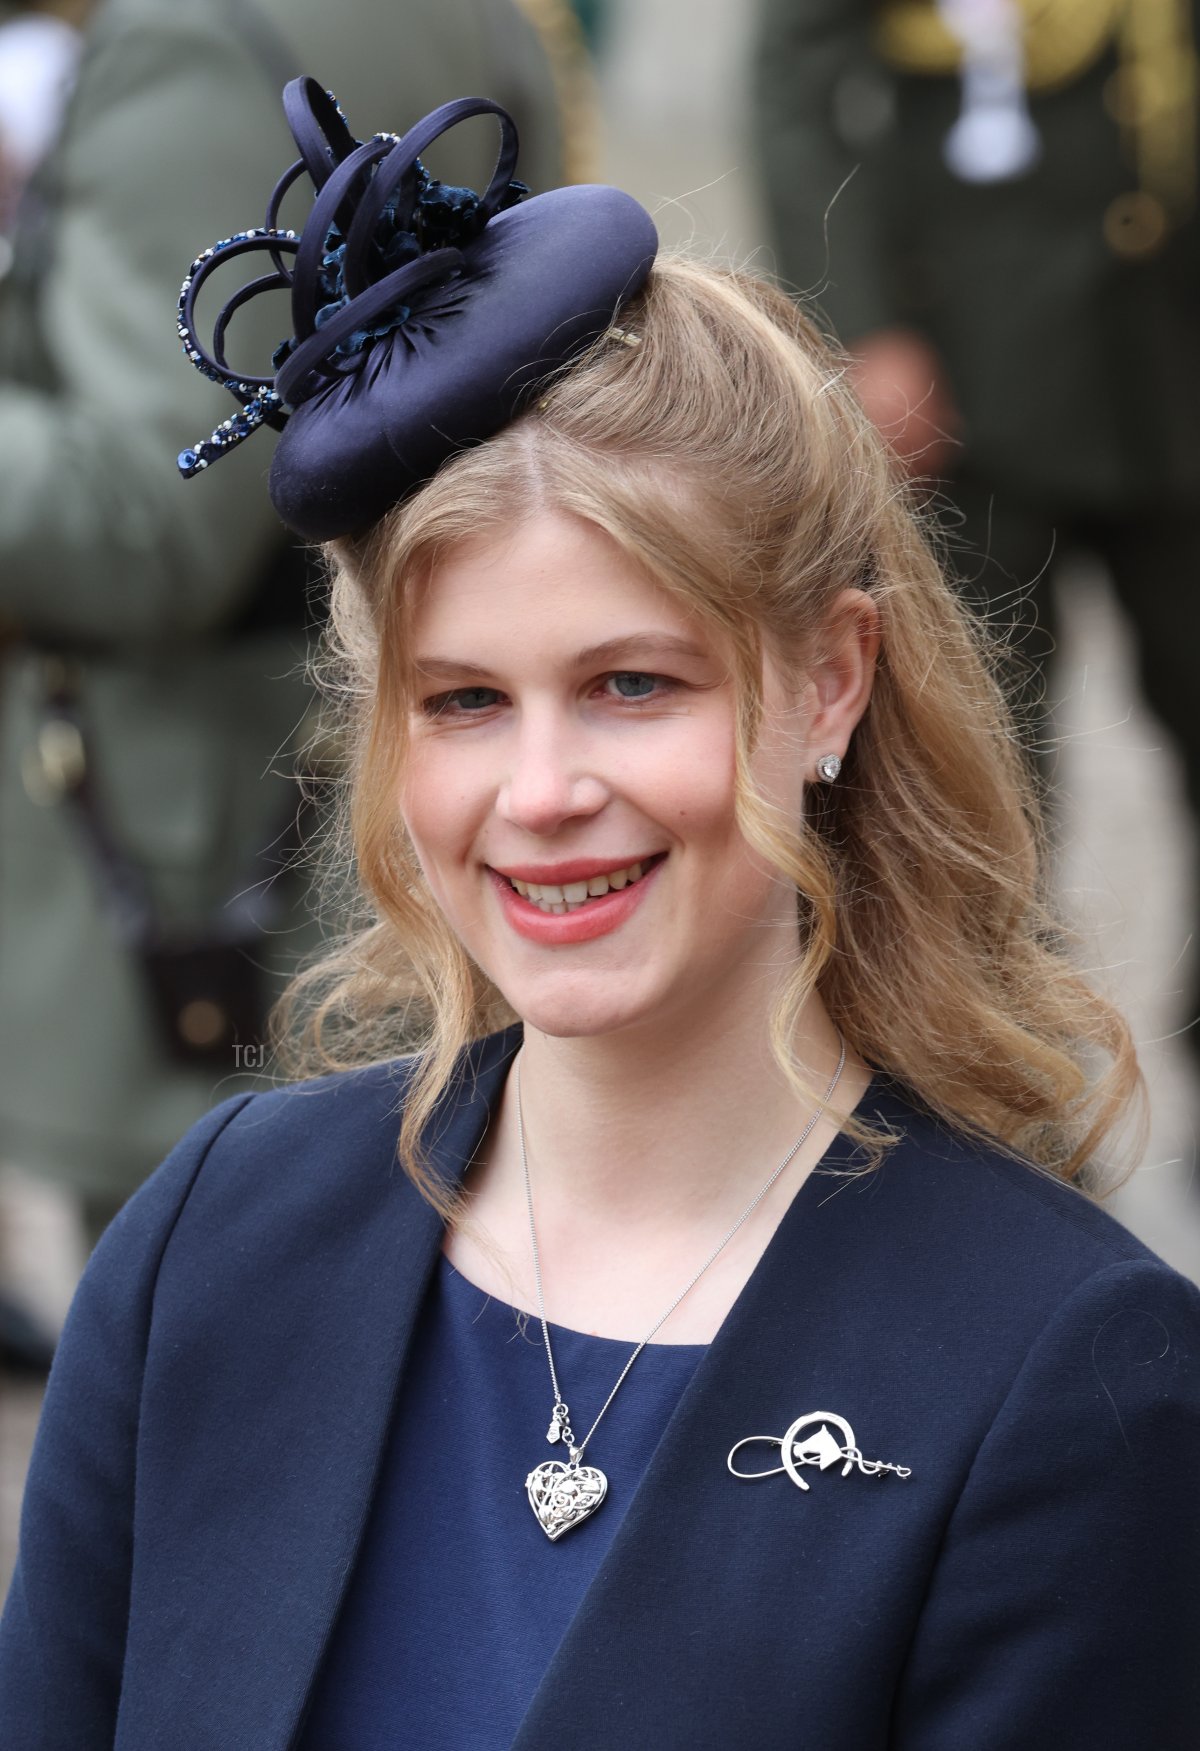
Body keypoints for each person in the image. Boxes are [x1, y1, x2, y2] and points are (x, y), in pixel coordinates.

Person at [2, 72, 1199, 1750]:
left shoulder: (1067, 1378)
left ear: (830, 684)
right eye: (467, 701)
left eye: (632, 684)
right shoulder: (213, 1239)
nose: (543, 790)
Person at [0, 0, 565, 1364]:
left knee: (225, 1385)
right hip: (353, 800)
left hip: (210, 842)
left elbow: (148, 523)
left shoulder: (190, 36)